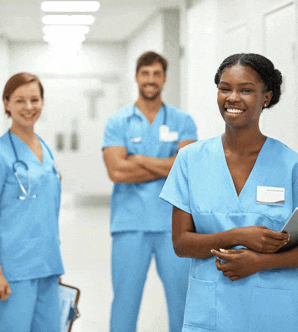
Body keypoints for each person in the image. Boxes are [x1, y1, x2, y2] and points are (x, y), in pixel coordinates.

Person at [159, 53, 298, 332]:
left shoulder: (292, 166)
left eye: (246, 90)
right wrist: (239, 235)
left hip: (273, 314)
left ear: (266, 97)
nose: (232, 97)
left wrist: (261, 262)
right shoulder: (190, 160)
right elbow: (181, 243)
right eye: (224, 88)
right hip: (210, 311)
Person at [102, 51, 198, 332]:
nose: (151, 79)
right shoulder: (118, 122)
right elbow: (116, 172)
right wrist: (167, 164)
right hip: (129, 225)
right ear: (136, 77)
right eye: (145, 73)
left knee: (182, 300)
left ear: (165, 78)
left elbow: (186, 170)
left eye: (157, 74)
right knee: (125, 301)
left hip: (174, 225)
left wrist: (139, 159)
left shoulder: (183, 121)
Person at [0, 72, 64, 332]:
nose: (29, 107)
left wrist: (54, 262)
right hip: (13, 269)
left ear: (42, 102)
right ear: (6, 104)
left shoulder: (45, 149)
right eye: (19, 100)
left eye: (35, 100)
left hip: (47, 265)